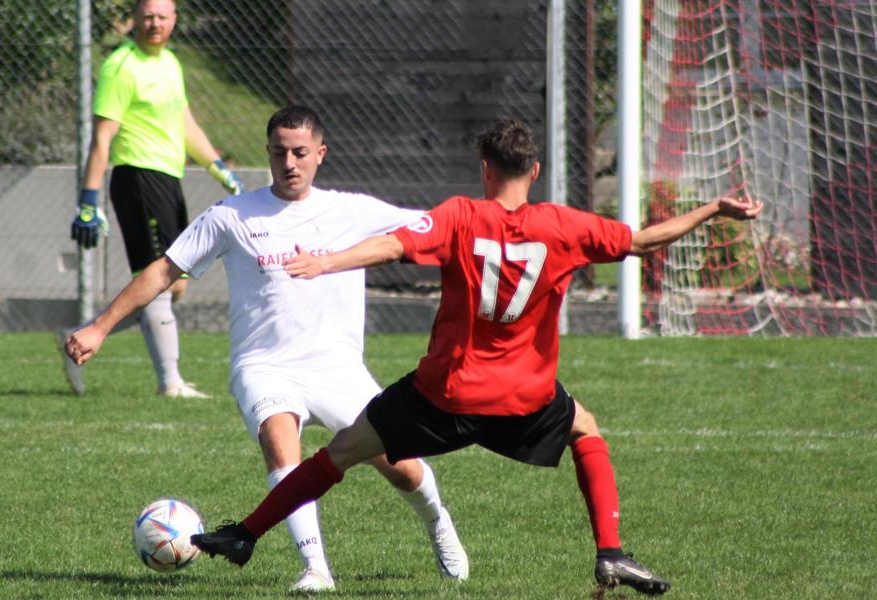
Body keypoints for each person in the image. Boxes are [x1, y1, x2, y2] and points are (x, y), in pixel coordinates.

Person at [189, 118, 764, 595]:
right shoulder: (564, 226)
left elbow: (392, 246)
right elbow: (642, 241)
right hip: (525, 396)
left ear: (485, 170)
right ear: (534, 171)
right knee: (585, 428)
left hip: (444, 393)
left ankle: (246, 533)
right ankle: (610, 551)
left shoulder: (461, 215)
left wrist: (325, 261)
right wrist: (714, 208)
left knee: (337, 455)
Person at [65, 105, 469, 592]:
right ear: (268, 154)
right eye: (279, 153)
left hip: (338, 369)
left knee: (400, 469)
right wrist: (100, 328)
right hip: (264, 365)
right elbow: (163, 270)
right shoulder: (232, 215)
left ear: (321, 153)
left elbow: (445, 232)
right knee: (281, 443)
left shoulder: (354, 211)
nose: (290, 162)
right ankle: (315, 569)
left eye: (301, 152)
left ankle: (439, 524)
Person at [60, 0, 244, 398]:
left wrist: (216, 166)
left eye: (162, 16)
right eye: (147, 17)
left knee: (173, 284)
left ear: (174, 20)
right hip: (137, 179)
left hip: (168, 180)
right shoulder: (121, 67)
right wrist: (88, 199)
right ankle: (170, 383)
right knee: (159, 279)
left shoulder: (170, 63)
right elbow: (102, 137)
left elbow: (184, 123)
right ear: (135, 21)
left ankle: (81, 335)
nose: (154, 23)